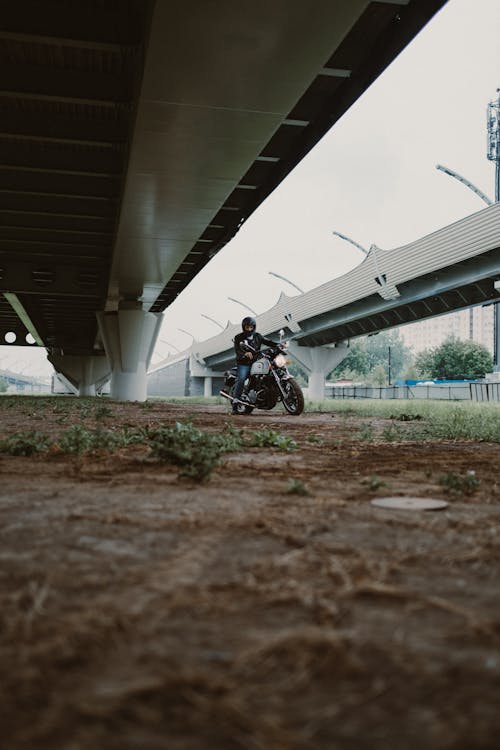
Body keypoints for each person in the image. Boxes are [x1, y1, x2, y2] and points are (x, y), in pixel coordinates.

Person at [231, 316, 278, 413]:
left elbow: (268, 342)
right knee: (242, 379)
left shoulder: (258, 336)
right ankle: (235, 401)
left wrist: (278, 345)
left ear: (254, 327)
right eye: (247, 327)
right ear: (244, 327)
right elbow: (238, 350)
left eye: (251, 327)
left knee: (268, 374)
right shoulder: (238, 338)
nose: (249, 329)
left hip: (256, 362)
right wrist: (245, 354)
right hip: (243, 363)